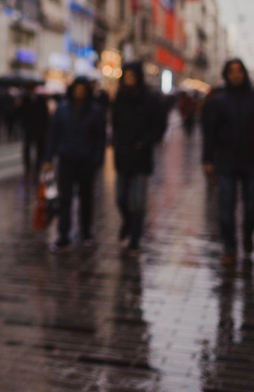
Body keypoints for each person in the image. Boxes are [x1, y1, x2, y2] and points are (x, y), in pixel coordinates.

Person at [202, 58, 254, 265]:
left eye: (239, 71)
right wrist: (207, 159)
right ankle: (229, 246)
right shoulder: (219, 101)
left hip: (252, 161)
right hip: (226, 161)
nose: (235, 75)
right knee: (226, 209)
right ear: (226, 74)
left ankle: (248, 233)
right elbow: (210, 133)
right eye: (231, 71)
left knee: (252, 206)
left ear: (244, 73)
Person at [43, 77, 106, 250]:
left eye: (82, 89)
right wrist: (48, 158)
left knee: (86, 198)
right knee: (65, 198)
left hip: (87, 160)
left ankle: (86, 232)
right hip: (66, 159)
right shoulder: (62, 109)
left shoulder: (95, 110)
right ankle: (64, 233)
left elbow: (101, 137)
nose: (79, 92)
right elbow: (53, 135)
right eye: (77, 89)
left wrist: (98, 159)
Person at [112, 62, 167, 255]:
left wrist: (144, 142)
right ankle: (127, 222)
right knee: (120, 198)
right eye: (126, 76)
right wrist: (116, 141)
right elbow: (115, 122)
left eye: (132, 76)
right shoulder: (120, 97)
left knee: (137, 201)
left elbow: (159, 125)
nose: (129, 79)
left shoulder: (150, 99)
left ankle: (135, 238)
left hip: (141, 156)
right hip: (122, 155)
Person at [21, 85, 50, 182]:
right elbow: (21, 113)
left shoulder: (41, 99)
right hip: (28, 129)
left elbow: (45, 115)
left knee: (39, 150)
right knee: (27, 149)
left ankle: (37, 170)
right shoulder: (25, 99)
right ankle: (28, 169)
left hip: (39, 129)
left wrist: (45, 128)